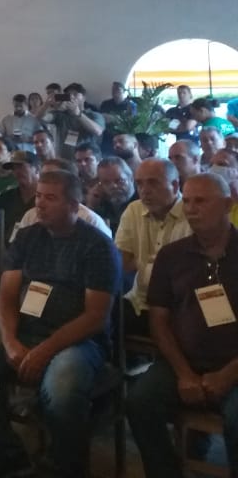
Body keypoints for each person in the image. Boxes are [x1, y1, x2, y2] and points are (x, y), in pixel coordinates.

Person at [0, 169, 120, 478]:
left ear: (73, 205)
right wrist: (10, 342)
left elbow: (95, 317)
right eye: (38, 196)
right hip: (24, 331)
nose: (40, 204)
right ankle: (9, 450)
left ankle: (64, 465)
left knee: (62, 390)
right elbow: (6, 295)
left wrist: (44, 350)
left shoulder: (97, 246)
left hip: (78, 343)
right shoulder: (27, 236)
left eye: (50, 198)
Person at [125, 172, 238, 477]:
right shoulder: (172, 255)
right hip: (184, 361)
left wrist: (228, 374)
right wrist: (184, 373)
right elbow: (159, 320)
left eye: (201, 201)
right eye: (186, 201)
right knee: (139, 402)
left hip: (234, 365)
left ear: (227, 205)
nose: (190, 209)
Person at [115, 159, 189, 335]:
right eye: (139, 183)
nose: (144, 190)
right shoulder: (134, 210)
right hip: (140, 301)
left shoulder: (190, 212)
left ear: (175, 185)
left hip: (180, 305)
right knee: (102, 315)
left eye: (153, 183)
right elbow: (121, 263)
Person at [42, 82, 107, 161]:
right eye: (69, 95)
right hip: (64, 161)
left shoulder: (94, 115)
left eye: (75, 94)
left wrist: (78, 114)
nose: (72, 97)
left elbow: (98, 131)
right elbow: (40, 119)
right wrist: (47, 104)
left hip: (87, 161)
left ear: (84, 98)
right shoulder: (60, 115)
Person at [0, 151, 39, 243]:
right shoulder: (5, 198)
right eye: (13, 168)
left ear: (36, 168)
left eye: (20, 166)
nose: (17, 172)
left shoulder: (45, 200)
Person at [87, 155, 136, 233]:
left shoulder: (143, 201)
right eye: (106, 182)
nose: (113, 186)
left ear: (131, 178)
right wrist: (91, 206)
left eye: (119, 181)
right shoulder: (102, 204)